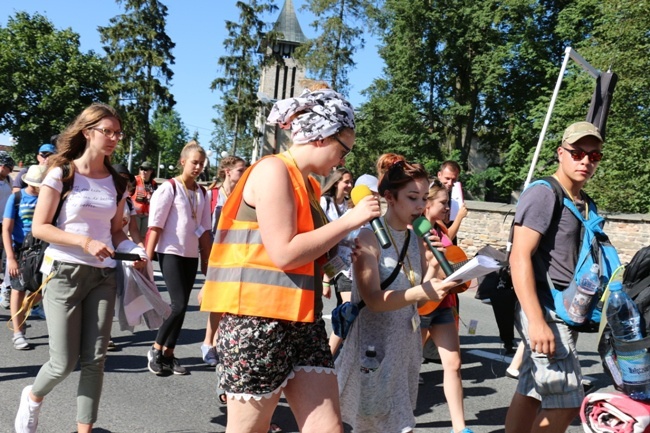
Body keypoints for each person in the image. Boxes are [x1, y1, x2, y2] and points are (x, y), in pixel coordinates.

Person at [200, 87, 380, 433]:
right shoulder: (273, 171)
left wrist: (342, 253)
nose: (343, 161)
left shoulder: (307, 185)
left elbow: (309, 251)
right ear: (320, 136)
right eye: (343, 149)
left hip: (302, 320)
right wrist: (348, 221)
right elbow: (284, 252)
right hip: (257, 322)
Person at [14, 102, 146, 433]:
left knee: (95, 360)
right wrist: (84, 242)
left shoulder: (116, 182)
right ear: (87, 132)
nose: (115, 138)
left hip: (103, 276)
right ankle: (32, 397)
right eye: (108, 131)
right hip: (64, 272)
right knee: (62, 363)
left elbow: (116, 231)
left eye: (118, 133)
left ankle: (83, 430)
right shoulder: (62, 173)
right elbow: (40, 227)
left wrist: (133, 248)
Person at [336, 153, 456, 433]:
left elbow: (423, 293)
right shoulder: (368, 238)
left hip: (405, 347)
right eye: (413, 197)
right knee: (369, 423)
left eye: (425, 198)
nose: (420, 206)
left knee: (398, 422)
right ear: (389, 197)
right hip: (373, 347)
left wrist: (437, 268)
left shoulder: (418, 237)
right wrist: (423, 290)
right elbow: (374, 301)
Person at [504, 121, 605, 433]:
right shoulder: (544, 194)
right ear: (561, 153)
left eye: (594, 155)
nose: (585, 160)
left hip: (566, 309)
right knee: (567, 400)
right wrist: (536, 321)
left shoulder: (586, 203)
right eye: (577, 153)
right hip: (546, 310)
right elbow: (518, 256)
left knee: (532, 391)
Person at [145, 140, 212, 376]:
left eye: (202, 164)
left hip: (190, 254)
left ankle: (169, 354)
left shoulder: (203, 192)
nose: (198, 167)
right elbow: (155, 225)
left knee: (182, 307)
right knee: (178, 303)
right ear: (183, 161)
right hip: (170, 251)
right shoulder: (170, 188)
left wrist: (206, 260)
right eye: (194, 162)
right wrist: (146, 257)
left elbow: (204, 230)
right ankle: (155, 349)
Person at [419, 178, 474, 433]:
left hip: (443, 303)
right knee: (407, 365)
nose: (447, 208)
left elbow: (450, 261)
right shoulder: (414, 229)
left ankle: (459, 428)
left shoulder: (440, 228)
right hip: (420, 306)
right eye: (442, 202)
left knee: (453, 364)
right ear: (427, 203)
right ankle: (398, 418)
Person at [198, 155, 247, 367]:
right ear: (227, 171)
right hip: (216, 250)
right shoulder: (212, 195)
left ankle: (217, 342)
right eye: (240, 170)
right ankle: (208, 342)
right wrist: (205, 255)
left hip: (236, 251)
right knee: (213, 297)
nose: (243, 174)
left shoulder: (243, 195)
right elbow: (204, 227)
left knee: (228, 300)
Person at [3, 165, 47, 350]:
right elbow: (6, 229)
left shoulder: (48, 197)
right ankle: (18, 333)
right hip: (21, 250)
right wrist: (11, 258)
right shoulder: (17, 197)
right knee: (17, 289)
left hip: (44, 249)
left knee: (46, 288)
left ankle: (25, 308)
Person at [436, 160, 468, 243]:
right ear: (439, 175)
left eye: (453, 179)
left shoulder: (454, 195)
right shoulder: (432, 197)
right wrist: (459, 216)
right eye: (447, 178)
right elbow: (447, 238)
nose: (450, 183)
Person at [0, 151, 16, 309]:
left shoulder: (9, 180)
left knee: (5, 253)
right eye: (9, 168)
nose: (10, 172)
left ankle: (3, 286)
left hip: (4, 222)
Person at [131, 160, 157, 239]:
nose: (143, 171)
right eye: (141, 169)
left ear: (151, 171)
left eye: (146, 169)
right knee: (134, 235)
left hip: (147, 214)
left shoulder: (154, 184)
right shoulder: (135, 180)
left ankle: (141, 251)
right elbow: (128, 194)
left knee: (143, 237)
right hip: (135, 213)